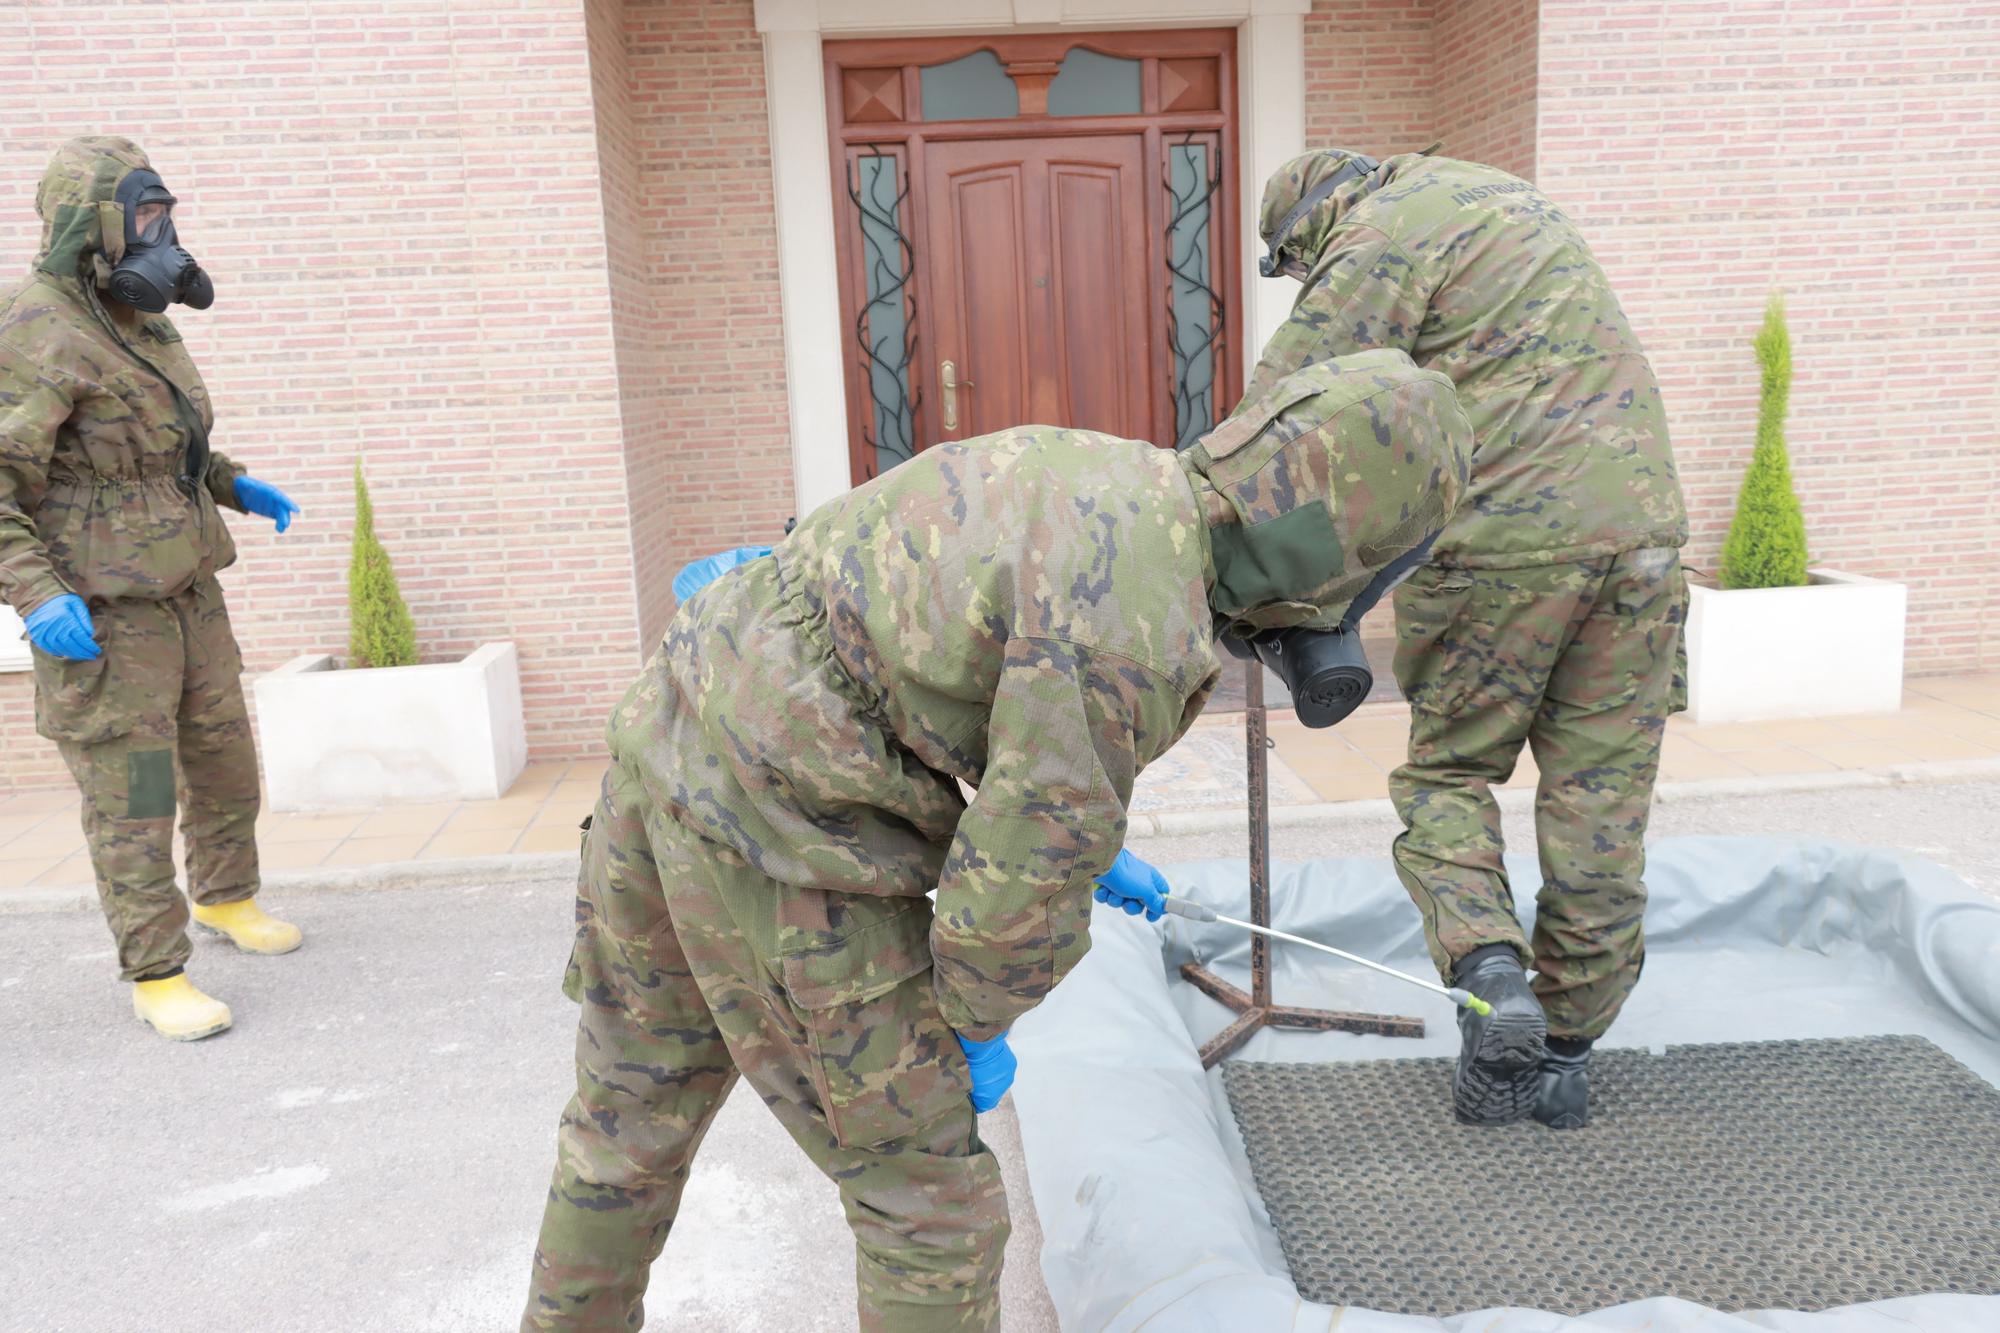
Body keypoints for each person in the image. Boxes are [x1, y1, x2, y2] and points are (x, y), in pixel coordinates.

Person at [520, 349, 1474, 1332]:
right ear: (1343, 556)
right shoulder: (1139, 625)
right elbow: (1005, 912)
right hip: (782, 823)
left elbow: (966, 663)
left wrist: (1086, 841)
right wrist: (972, 1026)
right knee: (932, 1210)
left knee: (622, 1133)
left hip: (668, 737)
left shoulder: (1117, 477)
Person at [1242, 147, 1691, 1129]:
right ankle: (1564, 1056)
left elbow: (1283, 413)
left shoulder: (1375, 231)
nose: (1297, 280)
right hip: (1643, 540)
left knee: (1449, 775)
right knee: (1598, 800)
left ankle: (1492, 974)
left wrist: (1216, 538)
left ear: (1308, 223)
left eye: (1287, 265)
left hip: (1502, 545)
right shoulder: (1503, 203)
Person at [0, 137, 303, 1041]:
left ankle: (227, 897)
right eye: (144, 217)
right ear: (87, 224)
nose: (161, 235)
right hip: (106, 616)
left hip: (189, 593)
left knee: (225, 764)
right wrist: (34, 595)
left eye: (165, 215)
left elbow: (163, 440)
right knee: (134, 797)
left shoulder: (143, 317)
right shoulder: (33, 325)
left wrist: (228, 481)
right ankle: (158, 969)